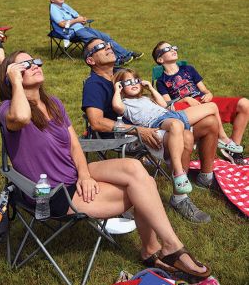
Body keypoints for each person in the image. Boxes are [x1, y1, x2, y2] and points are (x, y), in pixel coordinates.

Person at [0, 50, 211, 279]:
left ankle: (162, 247)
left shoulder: (54, 104)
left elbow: (74, 146)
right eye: (24, 65)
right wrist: (16, 83)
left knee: (135, 169)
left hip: (74, 175)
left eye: (35, 61)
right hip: (50, 192)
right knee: (142, 189)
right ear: (11, 76)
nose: (35, 65)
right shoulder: (8, 109)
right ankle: (165, 248)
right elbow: (20, 117)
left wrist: (84, 175)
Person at [82, 38, 219, 223]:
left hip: (154, 122)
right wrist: (137, 130)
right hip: (126, 137)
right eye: (100, 47)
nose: (108, 47)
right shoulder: (94, 85)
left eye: (108, 44)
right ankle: (180, 197)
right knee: (185, 137)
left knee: (210, 121)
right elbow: (96, 122)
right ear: (90, 60)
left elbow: (142, 100)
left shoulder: (119, 74)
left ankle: (205, 177)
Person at [112, 67, 235, 195]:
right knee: (176, 125)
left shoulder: (146, 98)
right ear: (121, 86)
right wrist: (116, 90)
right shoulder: (124, 103)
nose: (133, 84)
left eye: (136, 80)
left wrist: (151, 88)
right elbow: (116, 107)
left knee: (211, 107)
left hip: (172, 114)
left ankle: (224, 140)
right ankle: (178, 173)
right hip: (157, 122)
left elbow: (164, 105)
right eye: (128, 82)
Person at [152, 41, 249, 164]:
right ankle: (224, 140)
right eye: (167, 49)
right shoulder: (161, 81)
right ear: (160, 59)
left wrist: (209, 93)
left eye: (173, 47)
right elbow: (167, 104)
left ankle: (233, 148)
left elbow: (203, 89)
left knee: (244, 103)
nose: (172, 50)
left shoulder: (188, 69)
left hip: (203, 100)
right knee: (197, 109)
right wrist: (186, 99)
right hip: (186, 107)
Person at [49, 0, 143, 66]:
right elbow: (61, 24)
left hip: (80, 28)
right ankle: (116, 60)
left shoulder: (64, 5)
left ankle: (126, 54)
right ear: (52, 0)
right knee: (97, 42)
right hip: (71, 32)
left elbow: (77, 15)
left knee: (105, 37)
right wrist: (77, 20)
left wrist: (82, 19)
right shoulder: (54, 8)